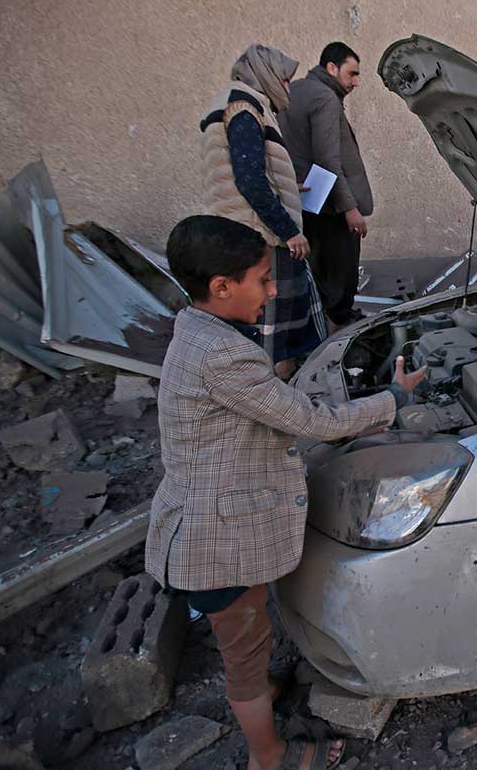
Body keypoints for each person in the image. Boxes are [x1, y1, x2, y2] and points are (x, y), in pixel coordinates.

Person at [145, 215, 425, 770]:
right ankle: (267, 755)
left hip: (204, 517)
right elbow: (306, 419)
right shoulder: (224, 358)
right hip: (215, 540)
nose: (272, 291)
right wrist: (392, 400)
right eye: (262, 279)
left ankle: (262, 696)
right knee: (244, 655)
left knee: (248, 634)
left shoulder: (199, 331)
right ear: (221, 287)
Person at [201, 44, 326, 380]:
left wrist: (288, 187)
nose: (287, 89)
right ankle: (274, 396)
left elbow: (248, 172)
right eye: (285, 80)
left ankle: (277, 387)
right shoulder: (245, 107)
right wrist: (289, 232)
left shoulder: (234, 104)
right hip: (259, 236)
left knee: (271, 328)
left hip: (245, 230)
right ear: (265, 75)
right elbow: (250, 181)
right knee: (272, 329)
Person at [280, 42, 374, 329]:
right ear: (331, 68)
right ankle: (337, 337)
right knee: (341, 276)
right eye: (351, 73)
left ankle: (318, 330)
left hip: (302, 198)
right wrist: (350, 209)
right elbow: (329, 161)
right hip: (328, 203)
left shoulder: (292, 91)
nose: (355, 82)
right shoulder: (325, 98)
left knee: (317, 273)